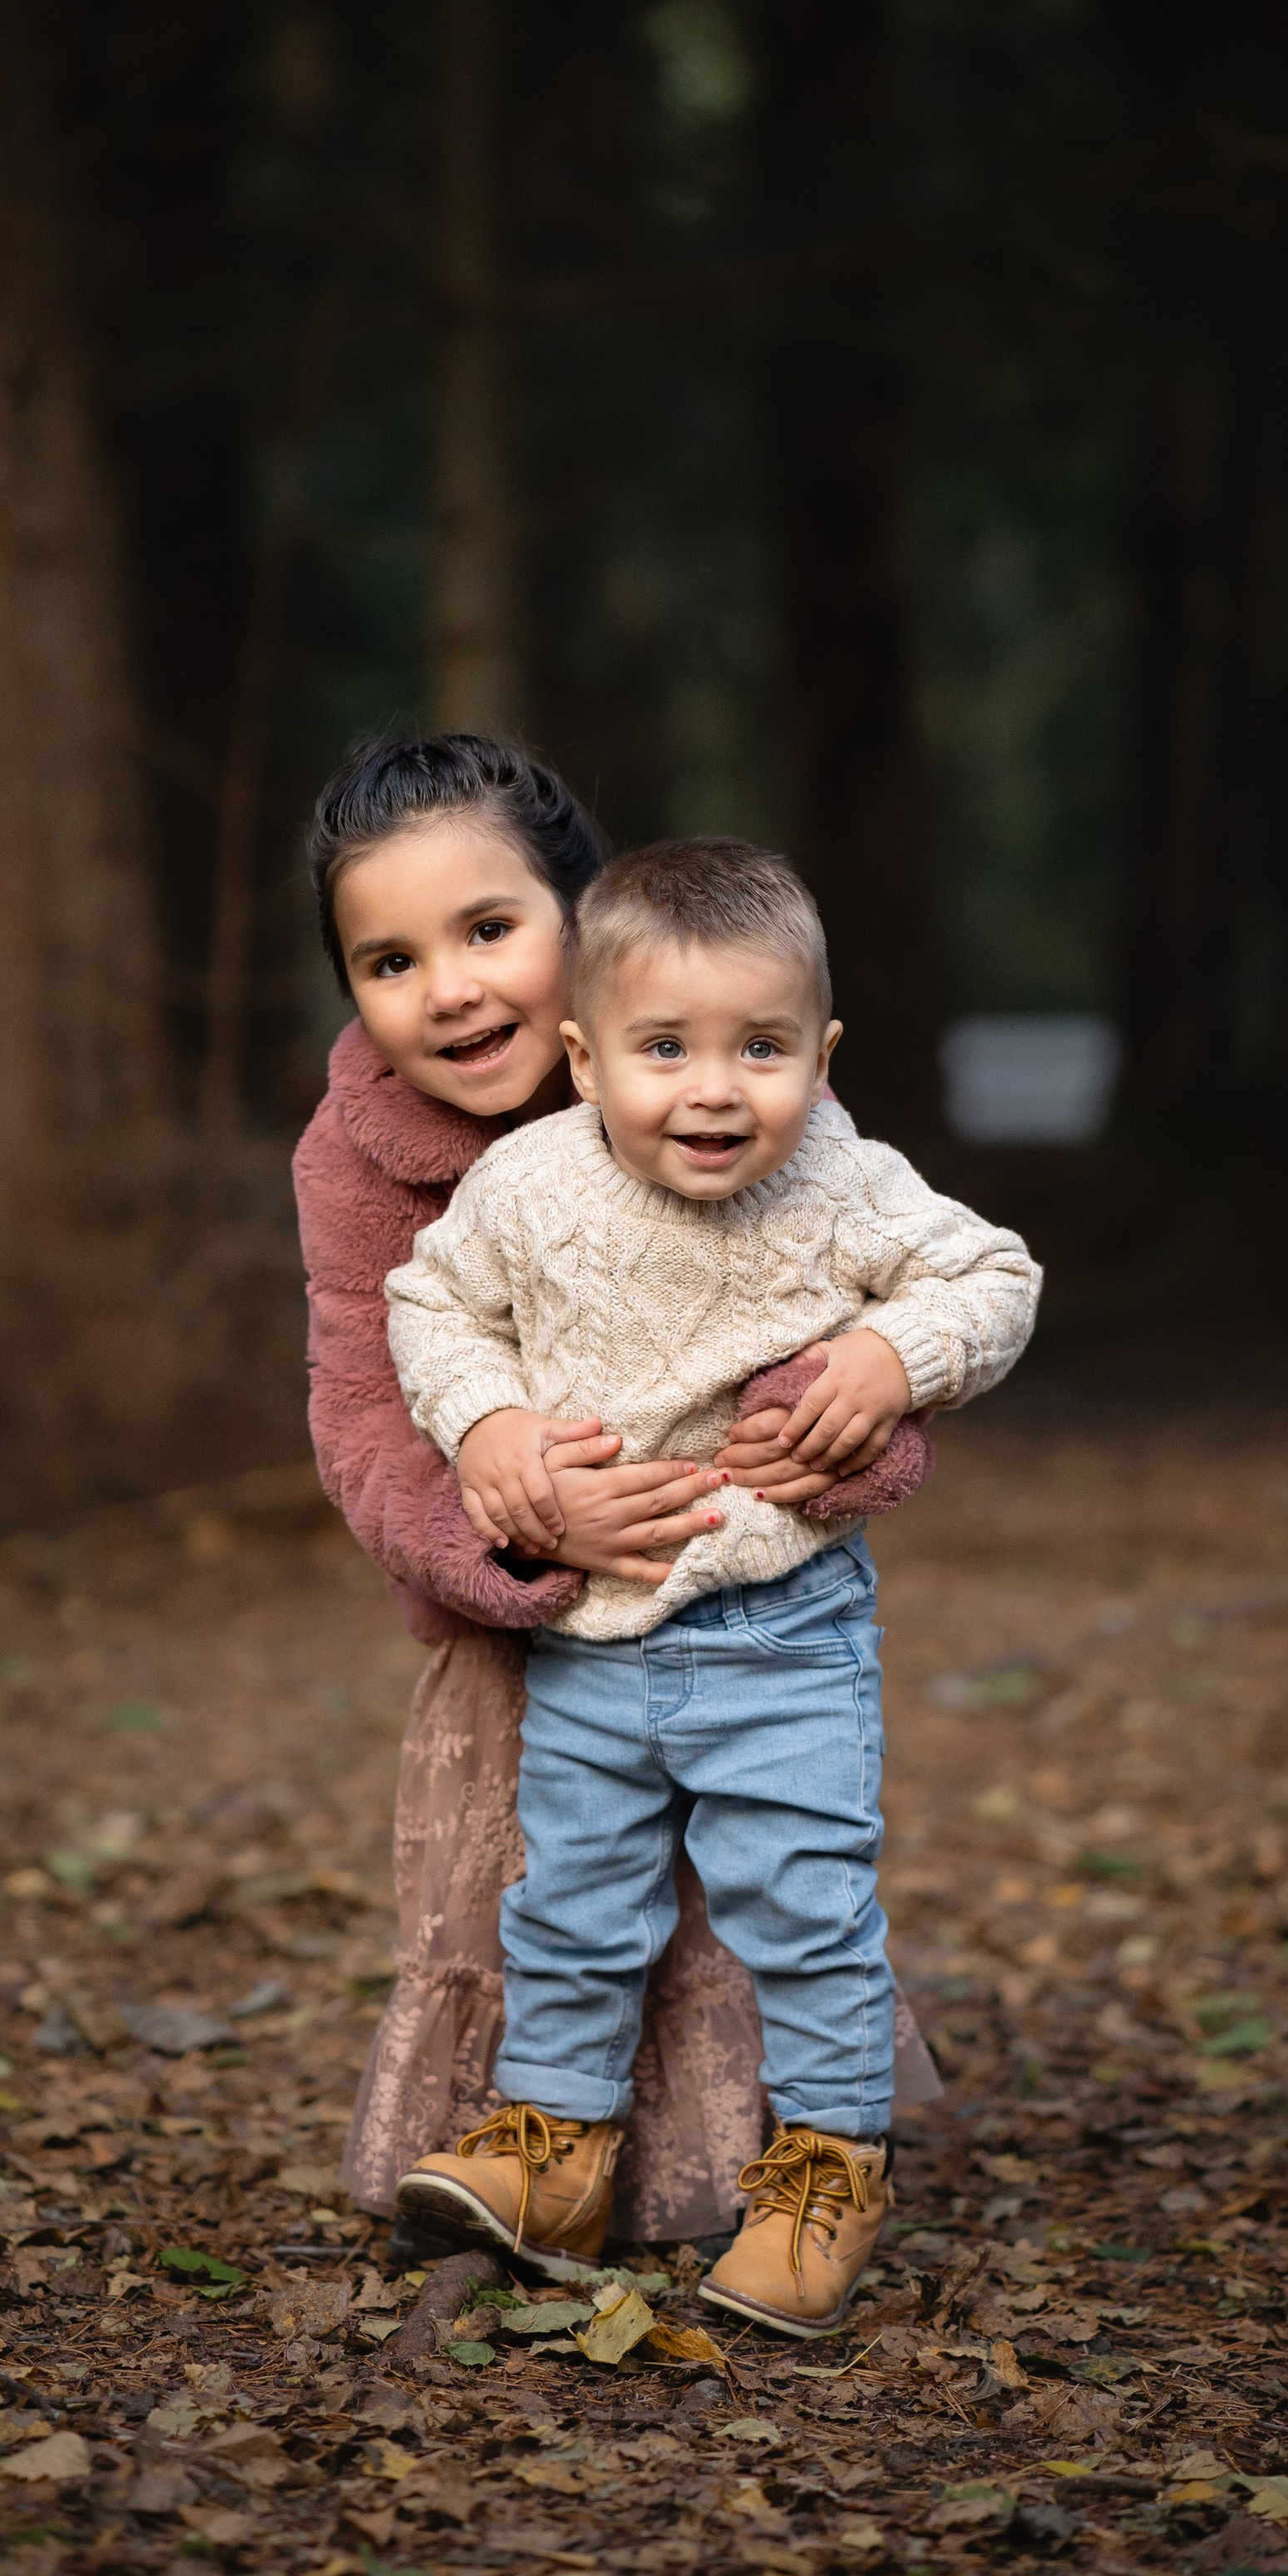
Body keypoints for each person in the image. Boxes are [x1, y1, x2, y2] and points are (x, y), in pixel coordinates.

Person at [292, 734, 944, 2249]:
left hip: (738, 1599)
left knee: (758, 1888)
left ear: (581, 924)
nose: (450, 989)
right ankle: (541, 2155)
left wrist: (845, 1432)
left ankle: (755, 2174)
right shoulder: (356, 1155)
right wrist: (508, 1510)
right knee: (549, 1900)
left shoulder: (721, 1070)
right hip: (525, 1627)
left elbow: (875, 1314)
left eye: (489, 929)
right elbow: (361, 1410)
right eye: (390, 961)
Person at [386, 837, 1041, 2334]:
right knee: (569, 1906)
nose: (714, 1091)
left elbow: (997, 1276)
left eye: (761, 1048)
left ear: (822, 1054)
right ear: (583, 1057)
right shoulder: (528, 1184)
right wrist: (484, 1426)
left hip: (786, 1632)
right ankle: (557, 2149)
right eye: (664, 1048)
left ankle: (828, 2170)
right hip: (594, 1639)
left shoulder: (844, 1179)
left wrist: (892, 1354)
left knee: (806, 1910)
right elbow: (432, 1305)